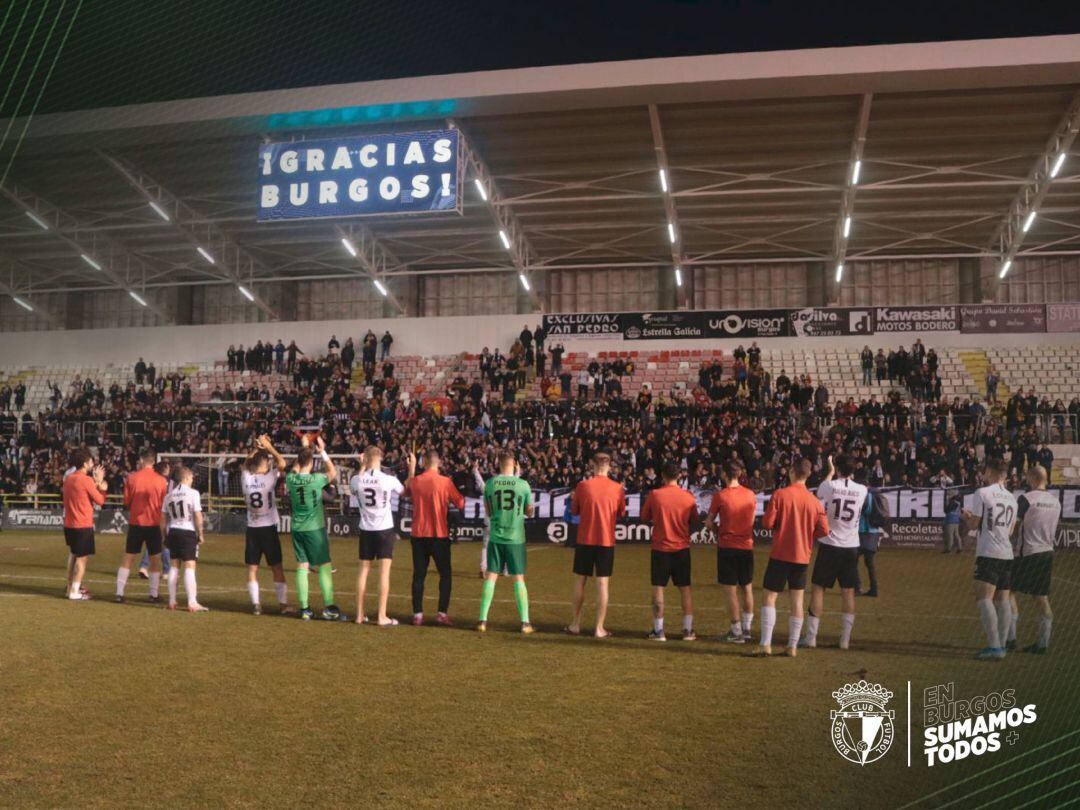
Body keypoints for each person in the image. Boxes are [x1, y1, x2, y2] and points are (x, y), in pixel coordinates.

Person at [757, 458, 829, 657]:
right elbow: (824, 530)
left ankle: (765, 644)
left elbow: (767, 523)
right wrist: (806, 534)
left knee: (769, 597)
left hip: (780, 554)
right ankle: (792, 646)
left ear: (792, 472)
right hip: (802, 557)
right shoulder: (814, 502)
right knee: (797, 601)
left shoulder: (780, 495)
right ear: (807, 475)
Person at [801, 455, 867, 650]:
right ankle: (845, 640)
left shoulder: (829, 486)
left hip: (830, 544)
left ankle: (811, 637)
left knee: (819, 588)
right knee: (848, 591)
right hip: (851, 546)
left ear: (837, 468)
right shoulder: (862, 490)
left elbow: (822, 493)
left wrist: (829, 472)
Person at [961, 458, 1018, 661]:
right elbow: (1011, 530)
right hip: (1007, 553)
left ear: (992, 473)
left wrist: (965, 517)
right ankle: (1001, 645)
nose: (983, 475)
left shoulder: (982, 493)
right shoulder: (1012, 498)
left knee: (984, 598)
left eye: (985, 471)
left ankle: (994, 647)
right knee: (1003, 600)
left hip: (989, 552)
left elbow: (974, 525)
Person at [566, 452, 626, 639]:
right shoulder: (617, 489)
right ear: (609, 467)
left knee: (580, 581)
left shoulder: (583, 486)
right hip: (606, 541)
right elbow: (621, 513)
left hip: (585, 539)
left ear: (593, 466)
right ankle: (599, 628)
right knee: (603, 584)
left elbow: (575, 511)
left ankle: (575, 624)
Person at [286, 435, 345, 621]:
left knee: (302, 566)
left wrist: (304, 450)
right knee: (324, 565)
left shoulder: (291, 479)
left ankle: (304, 609)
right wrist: (322, 452)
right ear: (311, 463)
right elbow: (332, 472)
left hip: (297, 528)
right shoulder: (317, 479)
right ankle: (329, 606)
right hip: (315, 528)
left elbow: (297, 466)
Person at [403, 448, 465, 626]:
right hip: (439, 535)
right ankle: (441, 613)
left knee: (419, 575)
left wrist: (411, 469)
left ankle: (418, 614)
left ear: (424, 462)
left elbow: (405, 492)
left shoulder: (415, 482)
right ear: (439, 463)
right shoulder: (445, 482)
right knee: (445, 574)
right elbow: (460, 503)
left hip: (419, 535)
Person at [477, 450, 535, 634]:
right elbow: (529, 511)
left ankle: (482, 621)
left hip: (496, 536)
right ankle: (525, 623)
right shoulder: (523, 484)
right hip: (515, 538)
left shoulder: (490, 484)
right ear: (515, 463)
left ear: (498, 463)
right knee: (518, 579)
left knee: (491, 576)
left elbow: (487, 511)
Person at [640, 463, 698, 642]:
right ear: (679, 476)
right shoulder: (688, 497)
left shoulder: (655, 495)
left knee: (659, 588)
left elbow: (644, 517)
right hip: (681, 549)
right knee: (685, 589)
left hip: (660, 549)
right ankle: (687, 630)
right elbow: (694, 520)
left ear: (663, 476)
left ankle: (659, 631)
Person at [351, 445, 404, 627]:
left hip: (366, 529)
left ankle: (359, 615)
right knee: (384, 573)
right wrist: (411, 470)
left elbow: (353, 489)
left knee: (363, 572)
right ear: (380, 458)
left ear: (365, 459)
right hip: (384, 529)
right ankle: (382, 616)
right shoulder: (388, 479)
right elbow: (406, 492)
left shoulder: (357, 479)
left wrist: (362, 467)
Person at [1008, 465, 1059, 654]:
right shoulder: (1056, 501)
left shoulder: (1026, 499)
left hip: (1027, 553)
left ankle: (1010, 638)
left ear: (1031, 478)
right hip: (1047, 552)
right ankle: (1042, 643)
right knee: (1041, 598)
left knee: (1008, 591)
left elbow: (1014, 526)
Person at [707, 460, 756, 643]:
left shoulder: (721, 496)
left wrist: (717, 532)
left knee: (731, 591)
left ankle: (736, 632)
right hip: (746, 546)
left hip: (727, 547)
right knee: (747, 588)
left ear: (725, 475)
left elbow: (709, 522)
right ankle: (747, 629)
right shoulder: (750, 494)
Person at [242, 435, 291, 616]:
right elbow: (283, 463)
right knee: (276, 567)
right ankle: (284, 605)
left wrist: (254, 449)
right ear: (263, 464)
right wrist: (269, 447)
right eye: (267, 462)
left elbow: (245, 464)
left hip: (252, 529)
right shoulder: (269, 478)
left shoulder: (246, 478)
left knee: (252, 568)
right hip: (268, 528)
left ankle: (256, 605)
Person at [114, 448, 168, 604]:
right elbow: (164, 505)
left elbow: (126, 502)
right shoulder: (161, 480)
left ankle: (119, 593)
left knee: (128, 558)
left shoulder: (132, 478)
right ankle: (153, 594)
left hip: (136, 523)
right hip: (153, 524)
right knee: (155, 560)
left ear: (142, 460)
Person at [62, 448, 108, 600]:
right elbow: (100, 501)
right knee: (82, 559)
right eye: (90, 461)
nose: (92, 463)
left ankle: (70, 587)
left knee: (73, 554)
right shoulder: (86, 480)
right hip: (82, 524)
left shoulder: (68, 478)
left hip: (69, 523)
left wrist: (95, 482)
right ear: (85, 463)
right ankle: (75, 591)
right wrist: (100, 483)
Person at [161, 466, 207, 612]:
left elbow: (162, 519)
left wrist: (164, 536)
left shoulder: (169, 496)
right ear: (186, 478)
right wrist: (200, 533)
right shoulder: (193, 493)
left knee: (174, 566)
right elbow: (198, 515)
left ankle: (172, 601)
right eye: (192, 477)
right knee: (189, 566)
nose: (193, 479)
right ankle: (192, 603)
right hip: (187, 532)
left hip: (173, 531)